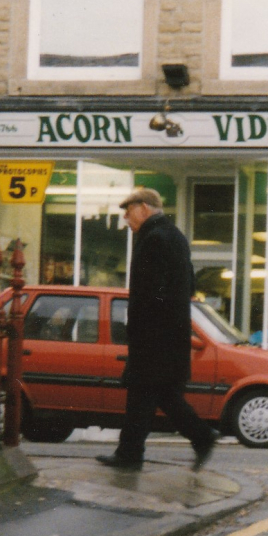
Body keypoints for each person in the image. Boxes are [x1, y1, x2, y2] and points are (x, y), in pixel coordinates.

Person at [96, 188, 219, 472]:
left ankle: (137, 452)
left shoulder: (154, 239)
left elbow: (157, 290)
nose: (126, 218)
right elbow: (187, 286)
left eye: (128, 211)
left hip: (155, 335)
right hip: (168, 333)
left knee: (146, 392)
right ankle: (137, 452)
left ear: (144, 207)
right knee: (156, 395)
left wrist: (149, 321)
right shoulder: (173, 236)